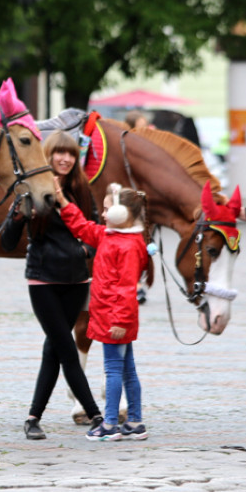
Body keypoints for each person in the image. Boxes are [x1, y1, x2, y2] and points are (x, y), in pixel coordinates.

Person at [0, 131, 104, 441]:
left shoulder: (83, 191)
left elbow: (96, 232)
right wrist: (19, 218)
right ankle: (96, 415)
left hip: (76, 281)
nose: (65, 159)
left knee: (54, 350)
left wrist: (84, 252)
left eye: (70, 154)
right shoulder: (33, 189)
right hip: (43, 280)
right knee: (66, 349)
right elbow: (7, 242)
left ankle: (33, 419)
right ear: (48, 155)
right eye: (59, 152)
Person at [56, 181, 153, 442]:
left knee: (113, 370)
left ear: (123, 213)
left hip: (115, 320)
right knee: (127, 370)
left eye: (108, 209)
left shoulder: (127, 246)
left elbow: (126, 287)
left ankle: (110, 424)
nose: (103, 213)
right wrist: (63, 203)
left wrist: (120, 320)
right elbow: (83, 227)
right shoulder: (110, 236)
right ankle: (135, 422)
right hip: (113, 317)